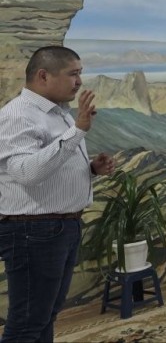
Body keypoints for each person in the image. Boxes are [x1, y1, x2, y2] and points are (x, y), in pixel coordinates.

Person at [0, 46, 116, 341]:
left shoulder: (58, 112)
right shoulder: (18, 115)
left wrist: (90, 169)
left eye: (80, 73)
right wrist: (77, 130)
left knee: (45, 316)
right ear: (43, 76)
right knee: (27, 323)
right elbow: (27, 173)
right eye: (73, 74)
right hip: (33, 232)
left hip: (58, 228)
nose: (79, 82)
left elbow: (50, 168)